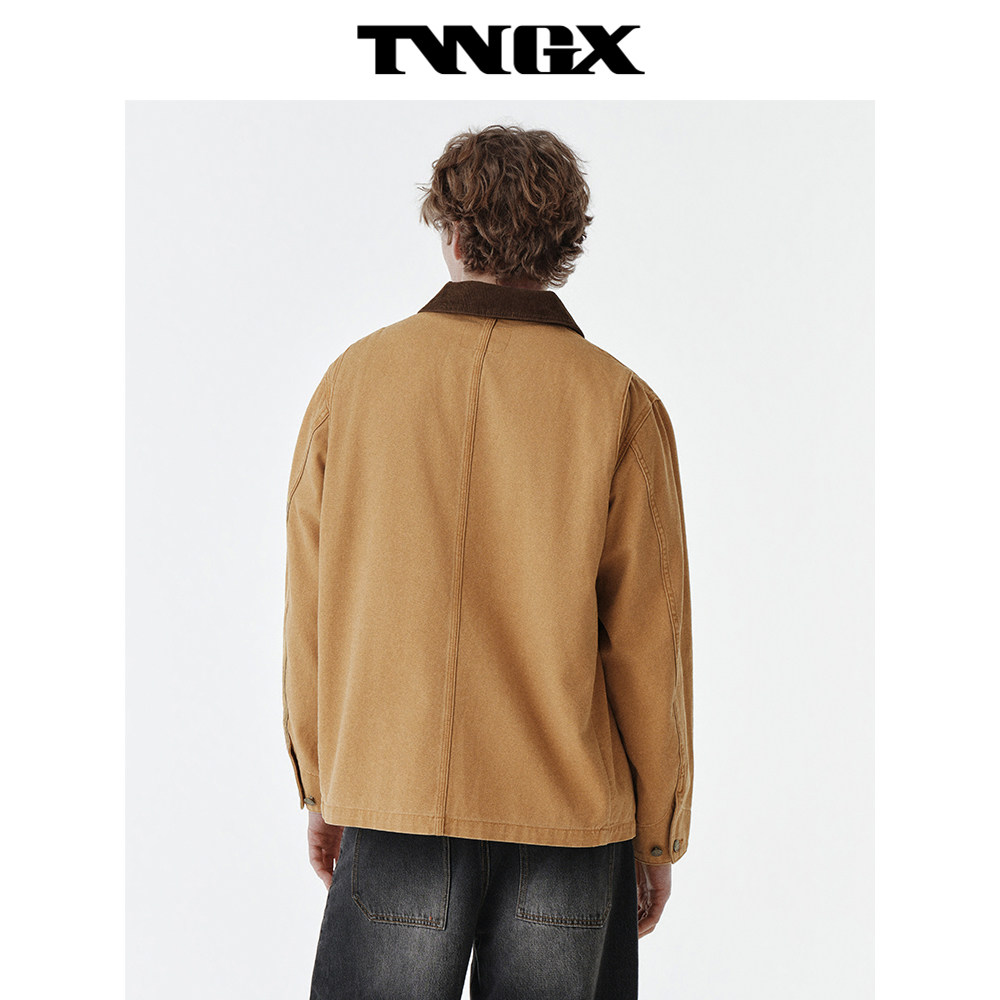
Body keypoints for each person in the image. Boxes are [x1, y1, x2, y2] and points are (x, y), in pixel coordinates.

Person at [282, 124, 693, 1000]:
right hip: (568, 819)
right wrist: (657, 833)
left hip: (394, 795)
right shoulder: (617, 400)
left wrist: (323, 784)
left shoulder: (354, 383)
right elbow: (649, 641)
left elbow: (311, 607)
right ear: (565, 241)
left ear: (451, 230)